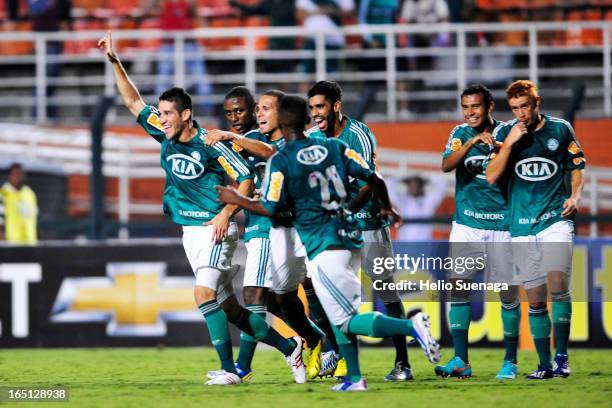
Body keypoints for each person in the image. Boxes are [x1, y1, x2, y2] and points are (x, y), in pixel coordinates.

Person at [98, 31, 306, 386]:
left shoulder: (211, 143)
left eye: (167, 114)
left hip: (215, 229)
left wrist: (225, 215)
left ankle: (230, 371)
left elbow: (245, 180)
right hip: (190, 233)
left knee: (202, 294)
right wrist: (114, 61)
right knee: (230, 309)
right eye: (160, 113)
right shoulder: (163, 133)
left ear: (186, 115)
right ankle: (291, 348)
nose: (160, 118)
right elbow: (133, 102)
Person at [217, 95, 440, 392]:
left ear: (282, 123)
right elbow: (374, 177)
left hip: (322, 244)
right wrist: (387, 206)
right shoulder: (335, 146)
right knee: (333, 312)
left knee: (346, 320)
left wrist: (237, 199)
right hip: (349, 237)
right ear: (306, 121)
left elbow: (270, 208)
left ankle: (412, 326)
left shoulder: (282, 160)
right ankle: (354, 377)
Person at [206, 89, 328, 381]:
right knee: (276, 301)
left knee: (255, 294)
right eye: (256, 109)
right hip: (258, 224)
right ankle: (314, 340)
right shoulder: (249, 141)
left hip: (283, 226)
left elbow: (274, 155)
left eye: (262, 109)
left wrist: (231, 137)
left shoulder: (282, 141)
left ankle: (244, 367)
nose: (253, 115)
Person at [306, 80, 414, 381]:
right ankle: (340, 360)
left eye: (321, 107)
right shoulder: (312, 137)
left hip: (367, 222)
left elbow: (370, 181)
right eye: (312, 108)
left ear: (336, 106)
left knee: (385, 289)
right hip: (334, 232)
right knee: (328, 291)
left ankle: (403, 364)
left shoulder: (359, 135)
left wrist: (347, 211)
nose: (316, 114)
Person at [486, 80, 585, 379]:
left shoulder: (560, 129)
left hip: (555, 219)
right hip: (521, 225)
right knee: (537, 299)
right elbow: (491, 176)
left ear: (536, 101)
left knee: (558, 284)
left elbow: (576, 165)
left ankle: (562, 358)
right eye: (515, 108)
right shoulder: (504, 133)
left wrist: (575, 195)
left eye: (525, 106)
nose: (521, 113)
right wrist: (511, 142)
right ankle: (544, 366)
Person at [437, 84, 520, 380]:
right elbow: (446, 165)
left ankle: (510, 361)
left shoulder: (509, 133)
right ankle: (460, 360)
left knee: (507, 293)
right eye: (466, 107)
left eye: (476, 107)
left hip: (503, 225)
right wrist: (471, 143)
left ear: (489, 107)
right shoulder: (460, 134)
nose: (470, 112)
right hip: (467, 225)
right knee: (458, 289)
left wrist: (504, 148)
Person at [143, 0, 212, 115]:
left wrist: (207, 33)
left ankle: (209, 109)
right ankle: (158, 112)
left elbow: (197, 16)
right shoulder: (162, 2)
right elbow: (145, 10)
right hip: (168, 44)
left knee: (200, 78)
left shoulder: (189, 2)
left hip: (188, 43)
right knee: (163, 80)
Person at [388, 174, 447, 242]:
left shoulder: (429, 201)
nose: (414, 188)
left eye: (417, 186)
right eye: (411, 185)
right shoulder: (402, 201)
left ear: (421, 187)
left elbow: (442, 184)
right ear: (408, 187)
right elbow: (389, 185)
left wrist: (425, 177)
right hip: (404, 244)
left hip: (424, 244)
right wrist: (404, 176)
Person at [0, 163, 38, 245]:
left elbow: (33, 218)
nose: (19, 177)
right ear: (9, 176)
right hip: (10, 243)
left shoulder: (29, 193)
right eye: (16, 174)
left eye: (21, 174)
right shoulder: (3, 194)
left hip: (29, 243)